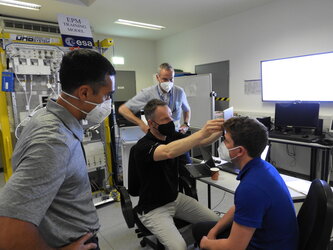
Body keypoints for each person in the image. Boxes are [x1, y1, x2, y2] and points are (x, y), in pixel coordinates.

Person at [0, 49, 116, 250]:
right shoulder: (53, 141)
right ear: (85, 93)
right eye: (107, 95)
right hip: (70, 243)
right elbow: (9, 231)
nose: (108, 104)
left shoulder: (47, 115)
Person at [192, 117, 299, 250]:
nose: (223, 144)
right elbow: (239, 207)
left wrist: (206, 244)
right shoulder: (263, 167)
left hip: (267, 245)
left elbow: (235, 247)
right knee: (201, 228)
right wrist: (214, 230)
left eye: (226, 141)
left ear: (240, 151)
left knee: (202, 237)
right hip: (273, 239)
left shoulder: (251, 188)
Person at [134, 99, 223, 250]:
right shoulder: (143, 147)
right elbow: (168, 152)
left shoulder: (172, 136)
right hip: (153, 208)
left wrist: (221, 130)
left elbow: (202, 142)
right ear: (151, 123)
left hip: (174, 198)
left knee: (216, 223)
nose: (171, 121)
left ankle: (184, 236)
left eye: (170, 116)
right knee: (179, 247)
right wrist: (202, 132)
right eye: (165, 119)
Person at [118, 63, 191, 134]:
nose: (168, 82)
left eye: (171, 79)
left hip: (175, 132)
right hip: (156, 135)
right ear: (157, 77)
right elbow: (123, 109)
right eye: (165, 79)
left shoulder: (179, 92)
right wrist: (141, 123)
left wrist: (186, 124)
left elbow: (187, 109)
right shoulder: (147, 93)